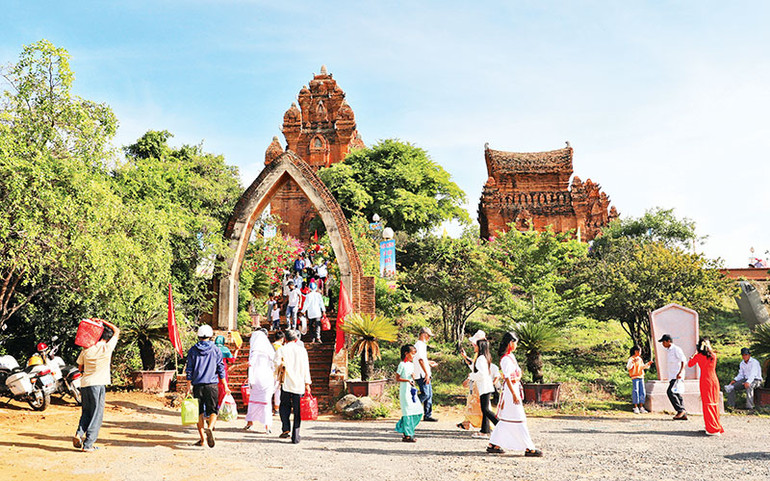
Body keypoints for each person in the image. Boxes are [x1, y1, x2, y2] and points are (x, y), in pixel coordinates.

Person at [487, 331, 542, 456]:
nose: (516, 345)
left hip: (514, 389)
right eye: (515, 342)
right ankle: (529, 447)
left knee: (506, 419)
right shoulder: (506, 359)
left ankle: (493, 444)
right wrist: (514, 394)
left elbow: (517, 373)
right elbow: (507, 378)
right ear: (510, 343)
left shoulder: (511, 356)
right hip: (511, 392)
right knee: (519, 419)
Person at [73, 319, 120, 452]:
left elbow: (80, 367)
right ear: (108, 337)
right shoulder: (107, 348)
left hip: (85, 384)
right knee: (97, 414)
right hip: (98, 385)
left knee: (86, 412)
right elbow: (117, 330)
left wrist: (97, 323)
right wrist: (104, 321)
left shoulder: (86, 349)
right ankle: (88, 445)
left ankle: (79, 433)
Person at [186, 325, 230, 448]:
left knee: (198, 413)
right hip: (212, 385)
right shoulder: (216, 350)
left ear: (199, 335)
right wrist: (225, 385)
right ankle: (210, 428)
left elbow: (189, 369)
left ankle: (203, 440)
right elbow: (221, 368)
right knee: (213, 411)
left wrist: (188, 386)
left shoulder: (193, 350)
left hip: (198, 385)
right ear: (210, 336)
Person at [276, 330, 311, 444]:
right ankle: (296, 435)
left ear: (285, 339)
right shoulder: (302, 351)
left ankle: (286, 428)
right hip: (299, 384)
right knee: (297, 410)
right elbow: (306, 368)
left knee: (284, 407)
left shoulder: (282, 349)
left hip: (286, 383)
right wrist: (307, 383)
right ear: (296, 340)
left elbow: (276, 364)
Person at [688, 338, 724, 435]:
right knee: (714, 403)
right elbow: (710, 353)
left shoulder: (698, 356)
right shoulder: (713, 355)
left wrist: (693, 355)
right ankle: (716, 425)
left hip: (705, 380)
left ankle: (711, 428)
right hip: (714, 380)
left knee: (707, 404)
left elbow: (690, 364)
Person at [243, 330, 275, 433]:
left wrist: (236, 367)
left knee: (253, 401)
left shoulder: (255, 351)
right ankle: (267, 426)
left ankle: (250, 423)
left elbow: (250, 364)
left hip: (256, 379)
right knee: (266, 402)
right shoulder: (269, 350)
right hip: (268, 378)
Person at [470, 339, 498, 438]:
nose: (474, 347)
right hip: (486, 386)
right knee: (484, 409)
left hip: (485, 387)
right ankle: (485, 430)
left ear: (480, 347)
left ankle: (499, 425)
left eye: (476, 346)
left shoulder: (481, 359)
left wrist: (472, 376)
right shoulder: (484, 358)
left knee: (486, 409)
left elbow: (481, 374)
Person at [395, 344, 423, 442]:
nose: (413, 356)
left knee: (418, 411)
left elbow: (411, 377)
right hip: (404, 390)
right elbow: (397, 378)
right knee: (407, 412)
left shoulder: (411, 365)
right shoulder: (401, 364)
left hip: (411, 390)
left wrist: (413, 377)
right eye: (412, 354)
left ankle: (404, 428)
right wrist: (407, 380)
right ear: (406, 353)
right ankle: (408, 434)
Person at [659, 334, 688, 420]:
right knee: (677, 393)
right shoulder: (668, 351)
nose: (663, 344)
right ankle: (683, 412)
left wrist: (680, 372)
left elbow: (683, 360)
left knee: (670, 392)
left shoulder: (676, 349)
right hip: (672, 375)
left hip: (677, 375)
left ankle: (680, 410)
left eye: (664, 342)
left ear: (668, 341)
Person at [414, 327, 439, 422]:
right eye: (428, 336)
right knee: (426, 394)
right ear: (424, 335)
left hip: (423, 372)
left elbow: (421, 359)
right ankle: (413, 406)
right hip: (422, 374)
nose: (429, 338)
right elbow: (420, 360)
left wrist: (428, 362)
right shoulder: (420, 345)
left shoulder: (421, 345)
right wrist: (426, 373)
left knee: (429, 394)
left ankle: (428, 414)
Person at [626, 345, 653, 414]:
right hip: (635, 377)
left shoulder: (640, 359)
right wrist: (633, 362)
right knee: (636, 391)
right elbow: (628, 367)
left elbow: (642, 367)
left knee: (642, 391)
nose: (640, 352)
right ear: (635, 351)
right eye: (639, 351)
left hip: (641, 376)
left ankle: (641, 406)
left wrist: (647, 364)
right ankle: (635, 406)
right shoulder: (631, 359)